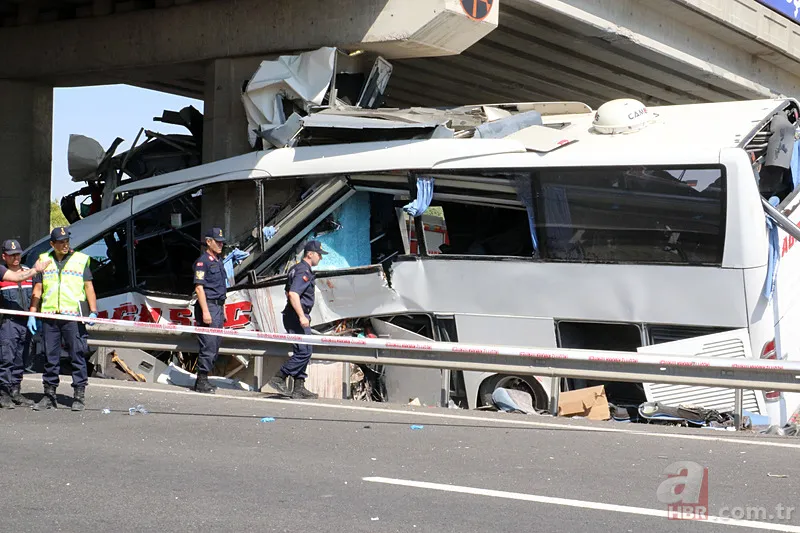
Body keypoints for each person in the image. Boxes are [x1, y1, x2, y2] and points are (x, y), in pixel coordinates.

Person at [28, 227, 97, 412]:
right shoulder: (43, 260)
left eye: (66, 241)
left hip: (73, 317)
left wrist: (93, 311)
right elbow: (38, 290)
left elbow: (88, 287)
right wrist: (33, 313)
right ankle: (49, 395)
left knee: (77, 355)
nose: (65, 244)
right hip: (50, 316)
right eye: (60, 242)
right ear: (52, 244)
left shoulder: (80, 260)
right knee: (50, 357)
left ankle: (79, 396)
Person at [264, 240, 327, 399]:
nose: (320, 257)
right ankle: (279, 377)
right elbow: (293, 294)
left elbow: (287, 292)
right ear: (310, 254)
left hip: (293, 314)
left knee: (303, 350)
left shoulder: (295, 269)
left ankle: (299, 387)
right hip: (297, 316)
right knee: (305, 351)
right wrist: (300, 315)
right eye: (319, 254)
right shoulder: (303, 271)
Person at [0, 239, 51, 409]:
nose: (16, 257)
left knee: (22, 357)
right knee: (6, 358)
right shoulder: (3, 273)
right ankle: (3, 393)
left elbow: (37, 294)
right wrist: (36, 269)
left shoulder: (29, 272)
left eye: (18, 254)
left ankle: (15, 390)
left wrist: (33, 315)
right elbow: (17, 277)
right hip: (8, 322)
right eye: (12, 254)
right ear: (4, 256)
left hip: (26, 322)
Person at [192, 227, 227, 394]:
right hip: (209, 306)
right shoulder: (203, 262)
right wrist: (205, 311)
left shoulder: (218, 261)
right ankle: (201, 380)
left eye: (222, 242)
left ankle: (204, 378)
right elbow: (199, 289)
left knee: (216, 344)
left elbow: (221, 288)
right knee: (209, 344)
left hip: (218, 306)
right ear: (208, 242)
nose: (221, 245)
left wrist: (223, 309)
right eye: (217, 242)